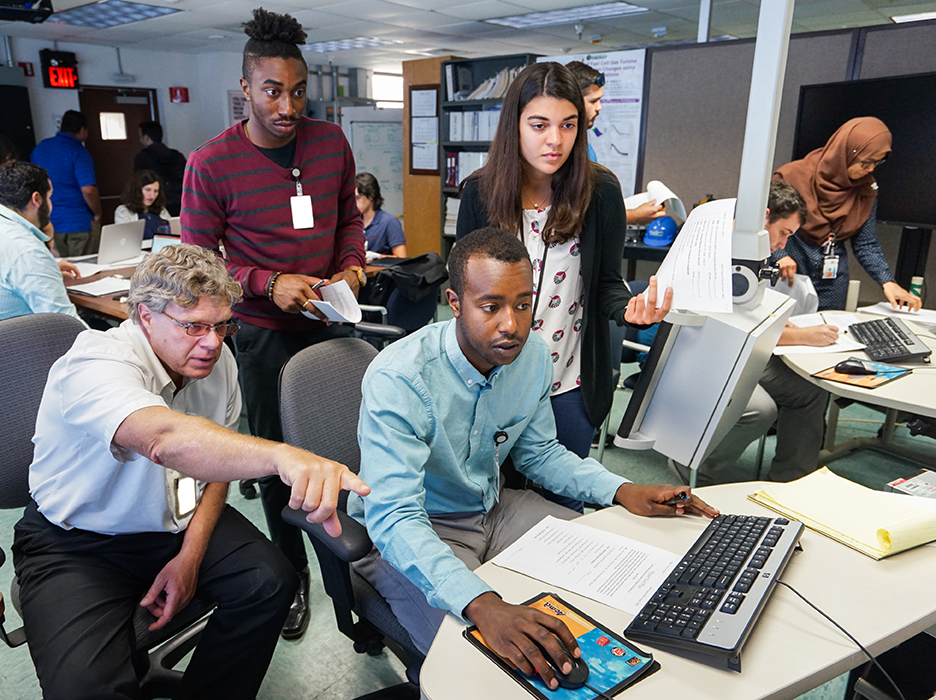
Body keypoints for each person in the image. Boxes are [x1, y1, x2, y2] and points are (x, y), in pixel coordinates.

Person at [350, 227, 718, 682]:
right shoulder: (400, 377)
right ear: (454, 302)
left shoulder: (532, 357)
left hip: (493, 509)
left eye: (523, 304)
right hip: (416, 529)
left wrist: (621, 489)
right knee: (486, 669)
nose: (512, 324)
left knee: (624, 578)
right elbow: (395, 517)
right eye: (491, 307)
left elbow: (539, 453)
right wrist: (482, 604)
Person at [12, 243, 370, 700]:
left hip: (174, 520)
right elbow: (165, 441)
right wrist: (283, 455)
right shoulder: (95, 361)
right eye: (194, 326)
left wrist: (191, 554)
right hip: (77, 542)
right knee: (85, 688)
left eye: (223, 326)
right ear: (145, 316)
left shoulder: (218, 363)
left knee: (269, 582)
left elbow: (215, 466)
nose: (213, 343)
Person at [181, 7, 366, 640]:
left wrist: (350, 266)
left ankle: (358, 584)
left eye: (296, 90)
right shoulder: (211, 163)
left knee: (344, 457)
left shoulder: (329, 143)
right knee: (273, 469)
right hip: (259, 338)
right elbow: (200, 267)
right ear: (245, 90)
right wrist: (265, 283)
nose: (286, 106)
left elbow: (349, 218)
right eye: (271, 91)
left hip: (329, 323)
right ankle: (291, 581)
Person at [456, 61, 672, 512]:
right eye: (539, 125)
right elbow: (466, 290)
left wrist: (630, 309)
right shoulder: (479, 193)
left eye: (567, 125)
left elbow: (608, 285)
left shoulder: (600, 192)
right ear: (514, 124)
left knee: (564, 516)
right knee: (484, 511)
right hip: (490, 385)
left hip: (566, 384)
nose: (554, 140)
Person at [671, 181, 832, 486]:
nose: (783, 244)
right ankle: (694, 470)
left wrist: (781, 324)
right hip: (702, 355)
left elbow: (748, 310)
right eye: (783, 232)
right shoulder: (715, 248)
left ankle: (791, 481)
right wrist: (798, 336)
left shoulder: (752, 250)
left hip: (738, 353)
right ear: (765, 217)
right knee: (759, 409)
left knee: (809, 389)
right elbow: (727, 326)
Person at [772, 116, 920, 312]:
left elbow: (866, 244)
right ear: (846, 152)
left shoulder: (866, 189)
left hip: (833, 281)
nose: (870, 169)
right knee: (785, 333)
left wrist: (887, 282)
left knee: (830, 334)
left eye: (877, 163)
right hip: (788, 273)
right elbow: (767, 225)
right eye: (866, 162)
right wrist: (780, 255)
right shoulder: (791, 177)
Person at [564, 60, 664, 226]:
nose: (599, 107)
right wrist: (634, 216)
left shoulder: (586, 149)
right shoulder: (560, 152)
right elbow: (575, 214)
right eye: (593, 101)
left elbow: (590, 205)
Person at [0, 161, 85, 324]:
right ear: (37, 199)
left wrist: (44, 271)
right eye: (50, 196)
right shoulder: (28, 250)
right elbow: (65, 326)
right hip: (17, 345)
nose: (51, 203)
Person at [30, 110, 102, 257]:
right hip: (78, 222)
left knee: (61, 270)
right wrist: (97, 212)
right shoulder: (78, 152)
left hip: (49, 222)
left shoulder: (40, 148)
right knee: (85, 269)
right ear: (82, 130)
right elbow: (88, 189)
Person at [134, 120, 187, 217]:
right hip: (182, 203)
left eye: (140, 137)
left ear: (146, 137)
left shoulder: (142, 157)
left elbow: (138, 183)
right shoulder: (177, 156)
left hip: (157, 205)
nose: (140, 140)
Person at [356, 171, 406, 257]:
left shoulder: (390, 222)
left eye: (358, 198)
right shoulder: (355, 221)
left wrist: (378, 257)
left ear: (371, 197)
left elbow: (401, 257)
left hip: (381, 269)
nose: (354, 202)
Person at [115, 168, 172, 239]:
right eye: (148, 190)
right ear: (137, 190)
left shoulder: (162, 210)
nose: (152, 195)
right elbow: (125, 239)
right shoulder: (124, 211)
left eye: (156, 191)